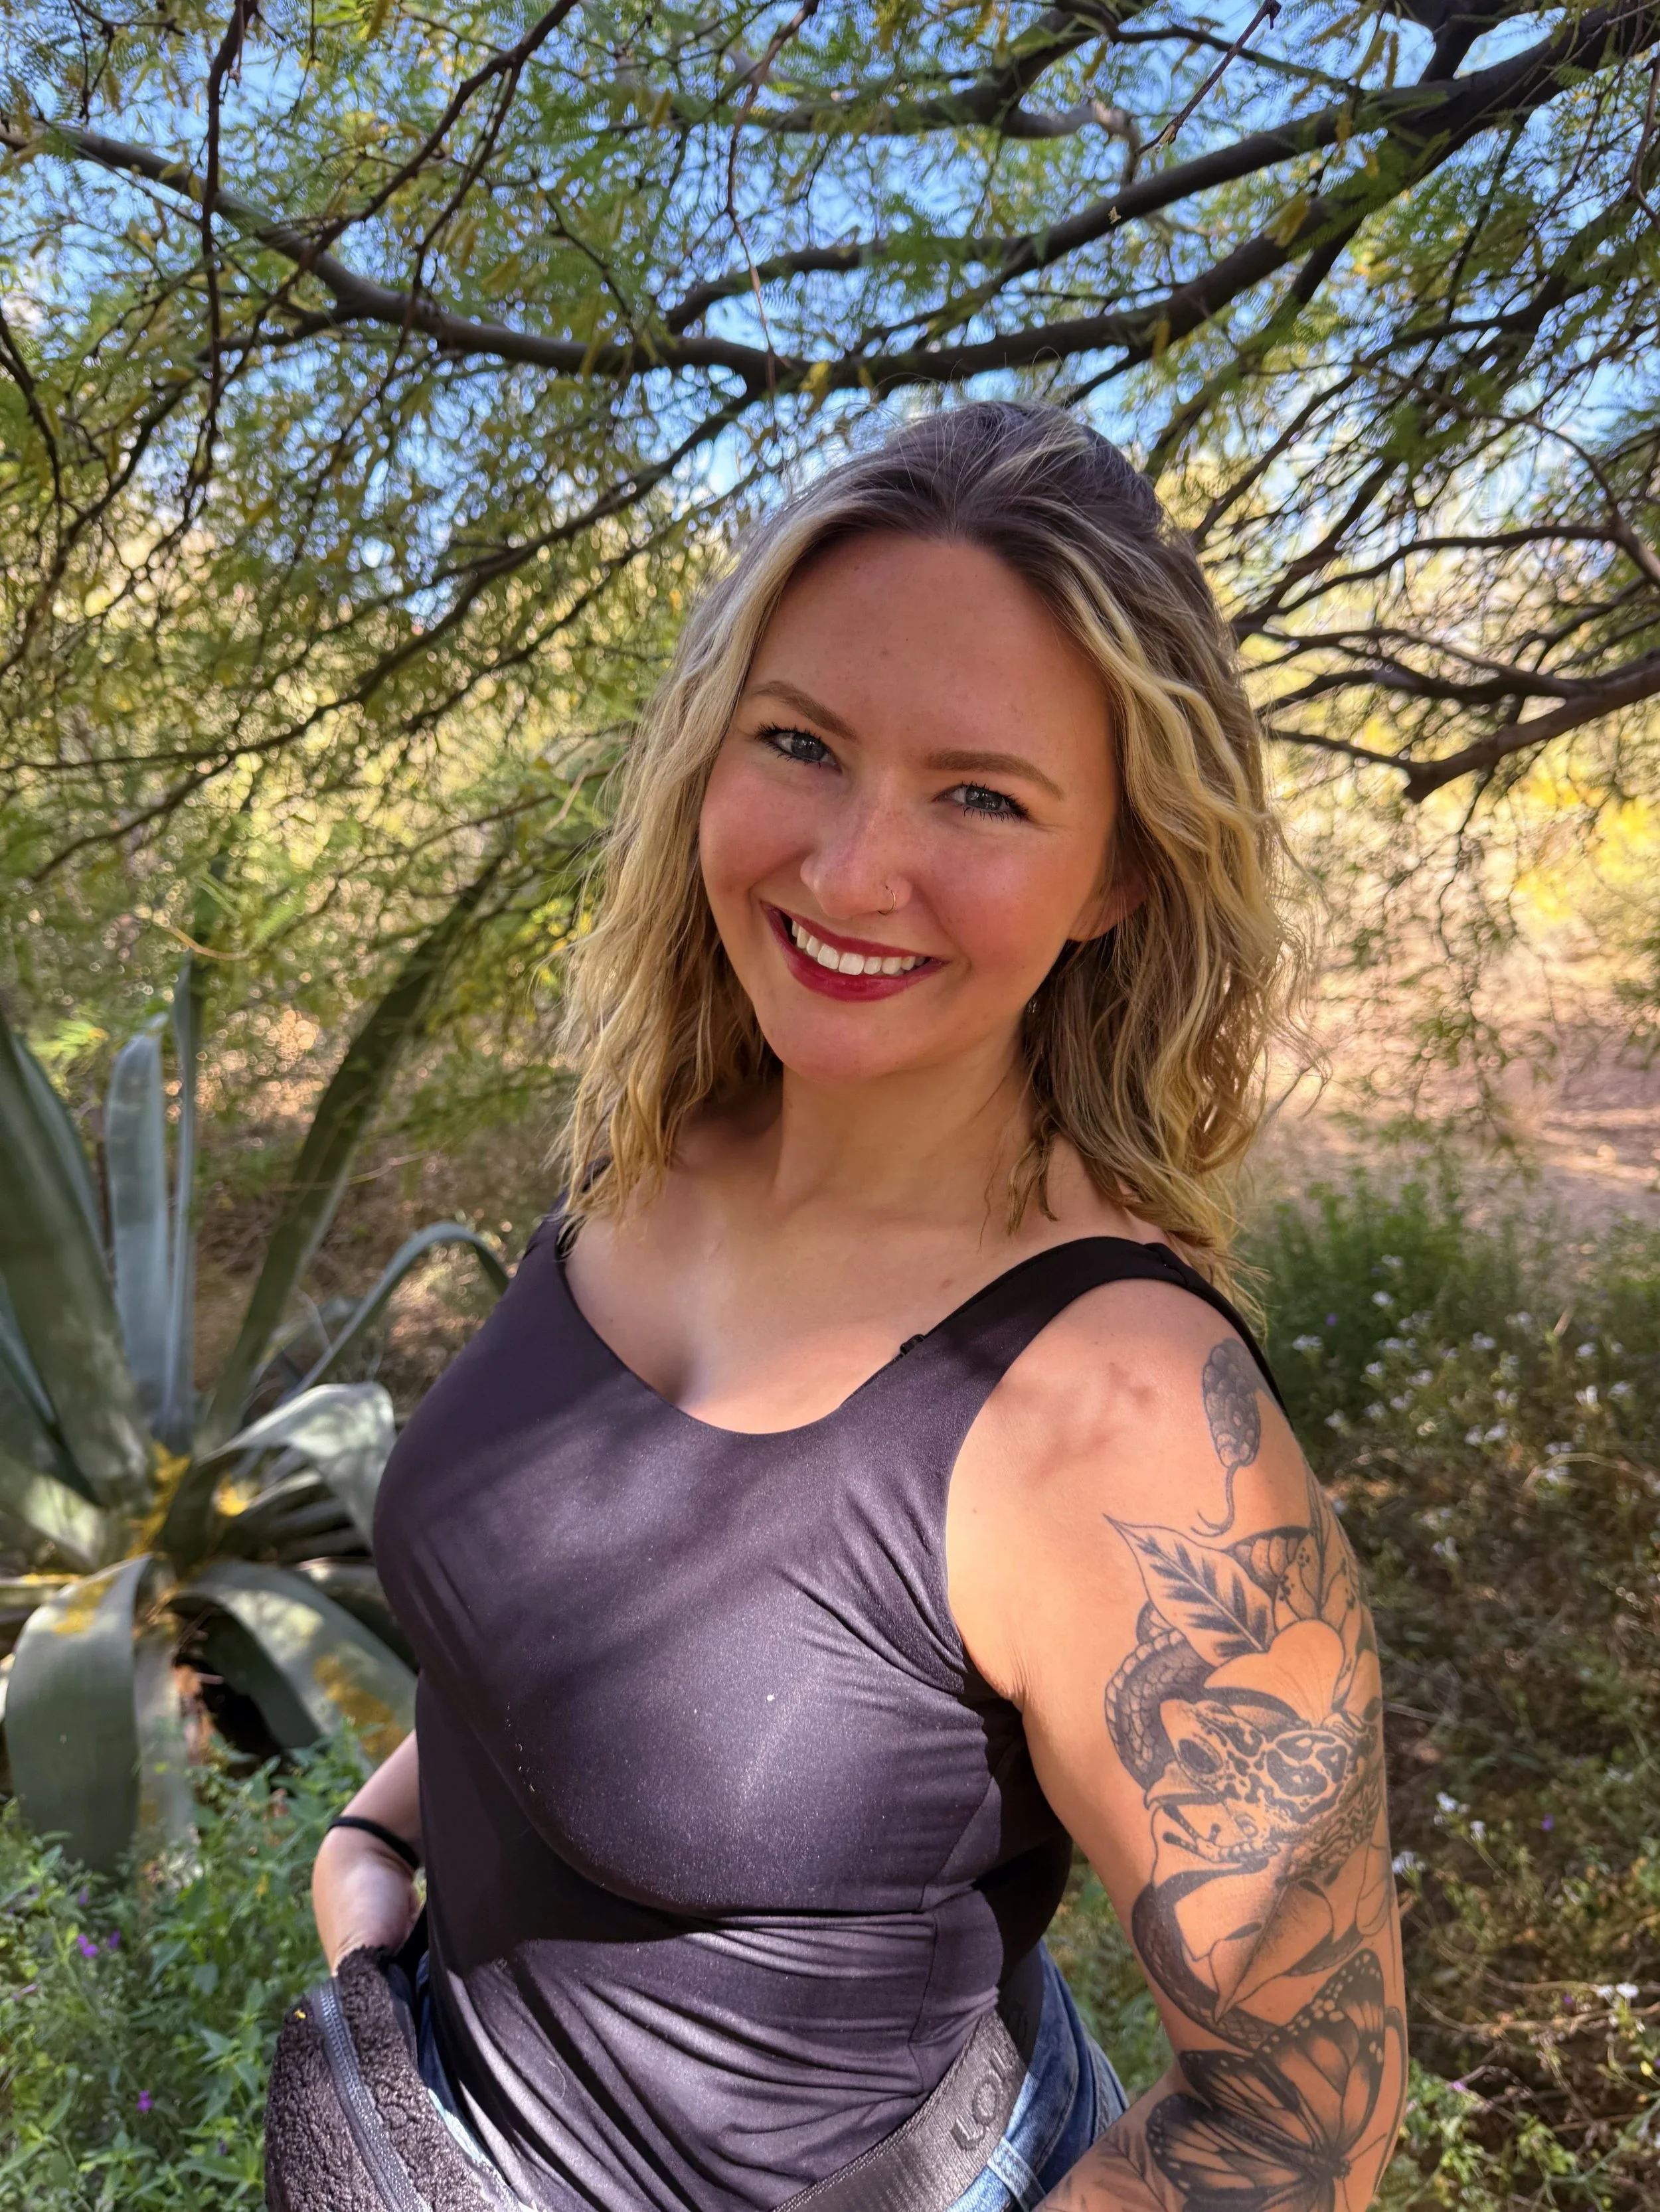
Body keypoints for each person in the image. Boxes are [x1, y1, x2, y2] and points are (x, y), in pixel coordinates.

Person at [311, 401, 1405, 2212]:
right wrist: (371, 1845)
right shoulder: (653, 1150)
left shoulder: (1118, 1416)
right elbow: (578, 1625)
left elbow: (1300, 2127)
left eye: (982, 795)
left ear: (1119, 872)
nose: (844, 870)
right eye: (801, 743)